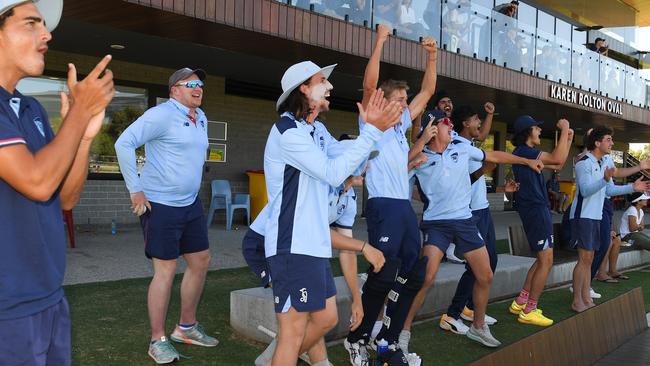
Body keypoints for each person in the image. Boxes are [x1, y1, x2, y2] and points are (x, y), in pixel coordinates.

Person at [264, 59, 401, 366]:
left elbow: (344, 158)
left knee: (326, 319)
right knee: (293, 331)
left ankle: (273, 360)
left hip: (312, 245)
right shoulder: (288, 132)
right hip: (292, 246)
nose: (330, 86)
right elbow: (332, 171)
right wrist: (371, 133)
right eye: (321, 81)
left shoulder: (317, 130)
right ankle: (277, 359)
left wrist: (370, 131)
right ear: (303, 89)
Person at [0, 1, 115, 365]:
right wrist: (79, 113)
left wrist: (82, 137)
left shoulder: (31, 109)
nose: (47, 34)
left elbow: (65, 196)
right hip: (6, 310)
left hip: (48, 296)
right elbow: (36, 181)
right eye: (31, 23)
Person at [407, 108, 543, 349]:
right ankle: (402, 332)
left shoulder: (460, 147)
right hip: (436, 225)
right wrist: (418, 148)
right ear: (433, 129)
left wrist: (527, 161)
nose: (452, 126)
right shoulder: (420, 157)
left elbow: (495, 156)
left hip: (465, 221)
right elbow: (399, 172)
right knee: (426, 278)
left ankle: (478, 327)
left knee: (485, 274)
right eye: (446, 122)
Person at [344, 24, 438, 365]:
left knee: (414, 272)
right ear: (383, 100)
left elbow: (427, 91)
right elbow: (370, 84)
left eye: (403, 100)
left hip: (404, 209)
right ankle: (356, 339)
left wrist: (432, 55)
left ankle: (388, 338)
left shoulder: (399, 126)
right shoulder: (374, 122)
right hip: (383, 206)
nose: (403, 104)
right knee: (383, 275)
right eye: (398, 99)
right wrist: (381, 40)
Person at [115, 67, 218, 364]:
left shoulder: (201, 117)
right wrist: (135, 189)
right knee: (166, 269)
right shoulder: (161, 114)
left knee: (201, 260)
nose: (198, 88)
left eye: (200, 83)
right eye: (191, 84)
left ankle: (185, 327)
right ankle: (157, 339)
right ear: (174, 90)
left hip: (190, 203)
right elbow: (124, 143)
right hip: (159, 204)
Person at [430, 104, 500, 337]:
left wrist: (489, 114)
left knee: (490, 263)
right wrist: (484, 170)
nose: (479, 123)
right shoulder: (458, 145)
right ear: (465, 124)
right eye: (475, 118)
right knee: (477, 268)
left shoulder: (468, 144)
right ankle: (452, 314)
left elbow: (483, 137)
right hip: (470, 213)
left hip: (483, 209)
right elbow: (465, 181)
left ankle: (471, 309)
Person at [568, 126, 650, 313]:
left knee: (589, 259)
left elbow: (610, 190)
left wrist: (633, 187)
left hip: (595, 216)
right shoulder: (583, 162)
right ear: (597, 143)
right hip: (583, 216)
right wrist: (605, 180)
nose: (612, 143)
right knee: (584, 259)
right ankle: (576, 300)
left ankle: (585, 297)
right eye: (608, 139)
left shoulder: (603, 161)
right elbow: (586, 190)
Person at [509, 115, 573, 326]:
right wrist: (564, 129)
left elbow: (558, 163)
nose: (539, 131)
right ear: (528, 131)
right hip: (536, 210)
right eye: (537, 128)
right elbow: (556, 159)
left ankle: (521, 302)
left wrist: (568, 138)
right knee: (546, 260)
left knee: (541, 258)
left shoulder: (523, 153)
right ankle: (530, 309)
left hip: (535, 210)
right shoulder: (526, 152)